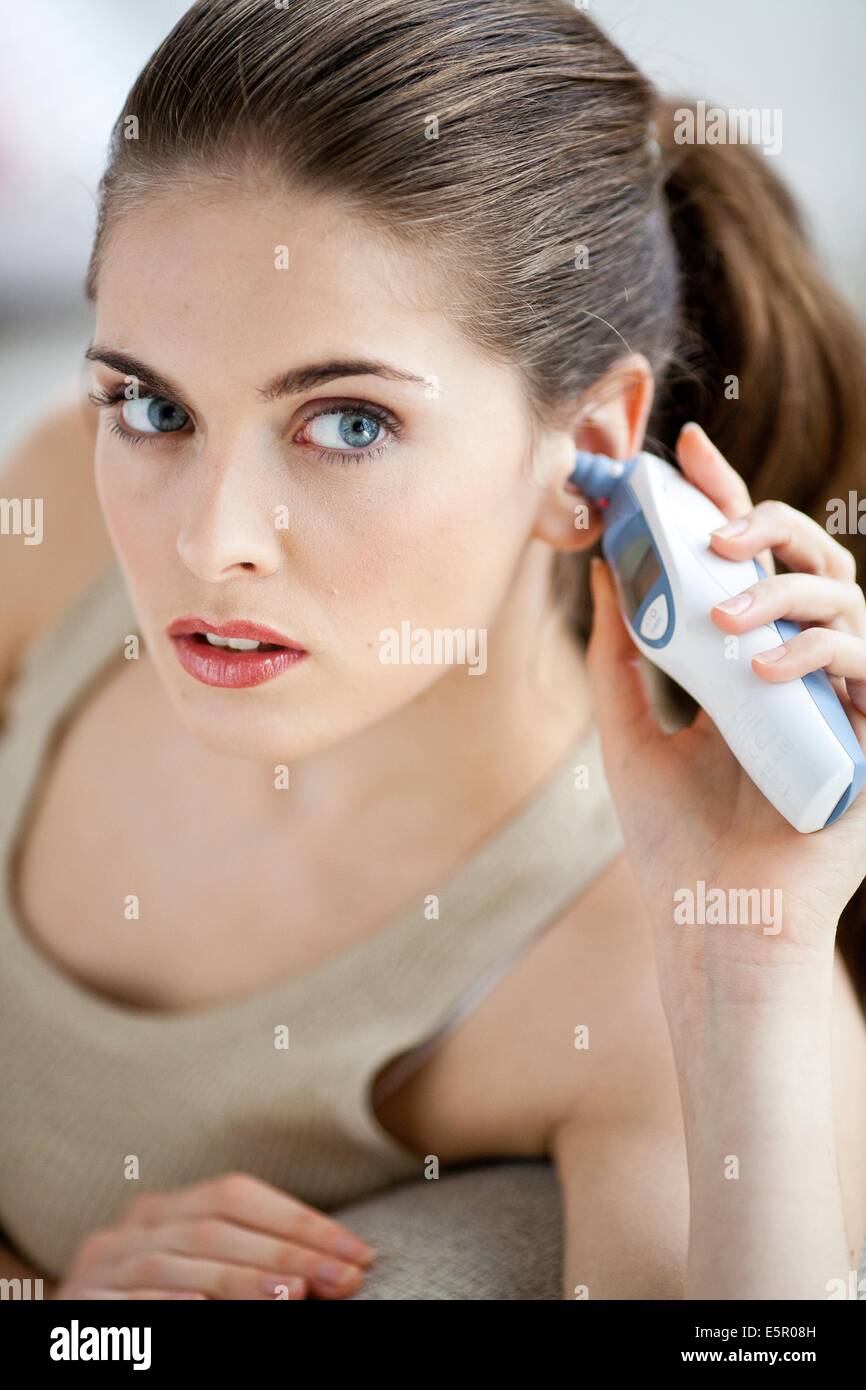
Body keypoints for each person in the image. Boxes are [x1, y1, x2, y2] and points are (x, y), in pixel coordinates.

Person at [1, 0, 866, 1301]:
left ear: (587, 446)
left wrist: (750, 958)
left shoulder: (625, 970)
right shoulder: (63, 503)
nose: (210, 540)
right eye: (157, 404)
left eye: (346, 424)